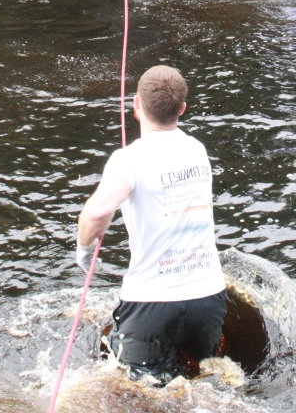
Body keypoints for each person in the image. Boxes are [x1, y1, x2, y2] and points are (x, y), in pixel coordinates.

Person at [75, 65, 227, 384]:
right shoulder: (197, 150)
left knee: (134, 390)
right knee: (204, 383)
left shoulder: (128, 159)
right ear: (182, 109)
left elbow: (97, 213)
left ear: (136, 105)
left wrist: (85, 252)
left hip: (153, 302)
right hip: (208, 298)